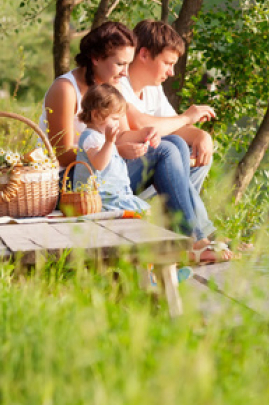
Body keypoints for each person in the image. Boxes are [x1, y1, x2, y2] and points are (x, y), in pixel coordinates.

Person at [41, 21, 233, 263]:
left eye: (127, 64)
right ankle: (193, 240)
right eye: (120, 64)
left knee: (172, 142)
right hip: (71, 183)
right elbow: (63, 154)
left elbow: (120, 135)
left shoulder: (111, 86)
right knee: (164, 150)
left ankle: (187, 236)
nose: (124, 72)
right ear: (95, 58)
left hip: (104, 173)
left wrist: (146, 136)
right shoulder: (65, 89)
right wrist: (115, 150)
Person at [117, 19, 217, 195]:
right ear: (144, 55)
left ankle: (180, 214)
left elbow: (174, 127)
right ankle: (187, 217)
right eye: (167, 63)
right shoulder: (117, 82)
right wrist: (187, 117)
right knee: (169, 147)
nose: (171, 72)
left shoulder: (153, 88)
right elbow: (140, 124)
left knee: (201, 153)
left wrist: (201, 136)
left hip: (140, 170)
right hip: (119, 172)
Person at [74, 83, 149, 214]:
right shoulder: (91, 137)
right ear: (96, 115)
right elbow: (99, 164)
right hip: (100, 198)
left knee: (146, 211)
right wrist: (109, 142)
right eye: (114, 119)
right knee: (142, 212)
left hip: (115, 194)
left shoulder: (101, 137)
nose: (118, 124)